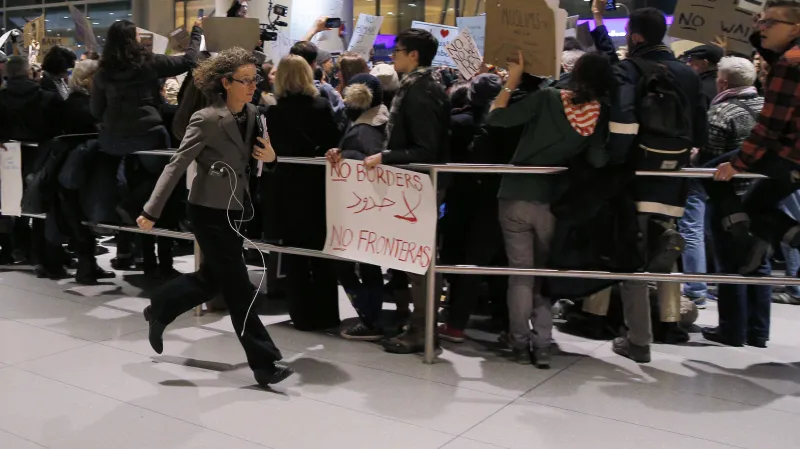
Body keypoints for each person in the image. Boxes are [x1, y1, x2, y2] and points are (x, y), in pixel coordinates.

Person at [136, 47, 293, 387]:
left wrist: (273, 156)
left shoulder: (254, 115)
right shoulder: (206, 118)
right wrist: (152, 209)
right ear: (226, 82)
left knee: (213, 279)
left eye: (255, 79)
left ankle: (160, 307)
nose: (253, 86)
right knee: (238, 287)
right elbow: (176, 165)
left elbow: (261, 163)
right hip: (207, 211)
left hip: (237, 210)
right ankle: (264, 362)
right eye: (245, 80)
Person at [488, 52, 613, 368]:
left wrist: (510, 82)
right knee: (544, 275)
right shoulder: (599, 114)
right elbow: (599, 161)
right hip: (554, 201)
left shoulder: (547, 98)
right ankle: (542, 343)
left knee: (520, 274)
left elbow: (496, 118)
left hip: (515, 193)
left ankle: (517, 341)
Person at [607, 8, 707, 363]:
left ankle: (638, 339)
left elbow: (621, 124)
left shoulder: (628, 69)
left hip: (634, 177)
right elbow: (700, 129)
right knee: (663, 254)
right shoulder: (688, 73)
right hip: (674, 178)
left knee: (630, 260)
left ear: (634, 37)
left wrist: (612, 163)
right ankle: (668, 322)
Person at [361, 28, 450, 354]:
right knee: (415, 261)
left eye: (398, 50)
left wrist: (386, 156)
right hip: (416, 187)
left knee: (421, 263)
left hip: (420, 187)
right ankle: (418, 326)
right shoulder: (421, 87)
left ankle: (423, 330)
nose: (392, 55)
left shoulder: (421, 91)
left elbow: (425, 149)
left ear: (414, 55)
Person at [709, 0, 800, 275]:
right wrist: (758, 32)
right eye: (761, 22)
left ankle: (744, 243)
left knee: (709, 173)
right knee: (755, 206)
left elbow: (769, 126)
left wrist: (738, 163)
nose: (762, 28)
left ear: (795, 28)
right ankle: (757, 242)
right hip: (791, 154)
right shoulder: (789, 57)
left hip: (789, 154)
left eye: (769, 23)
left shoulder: (790, 63)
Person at [680, 56, 764, 308]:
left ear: (723, 83)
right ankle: (758, 330)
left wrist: (694, 155)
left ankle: (703, 297)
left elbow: (708, 157)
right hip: (761, 190)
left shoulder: (720, 111)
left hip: (726, 192)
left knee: (720, 251)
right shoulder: (767, 106)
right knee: (758, 258)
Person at [266, 54, 342, 331]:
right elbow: (335, 142)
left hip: (287, 188)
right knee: (322, 253)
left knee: (295, 255)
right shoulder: (321, 106)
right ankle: (327, 314)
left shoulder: (273, 113)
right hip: (318, 186)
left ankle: (300, 314)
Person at [325, 74, 390, 340]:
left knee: (350, 265)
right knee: (370, 264)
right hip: (371, 204)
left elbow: (362, 159)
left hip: (360, 204)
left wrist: (344, 156)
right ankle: (370, 315)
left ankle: (369, 317)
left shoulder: (364, 129)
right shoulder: (380, 120)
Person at [289, 41, 345, 125]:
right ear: (314, 63)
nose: (332, 65)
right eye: (330, 61)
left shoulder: (283, 94)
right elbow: (340, 120)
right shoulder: (324, 91)